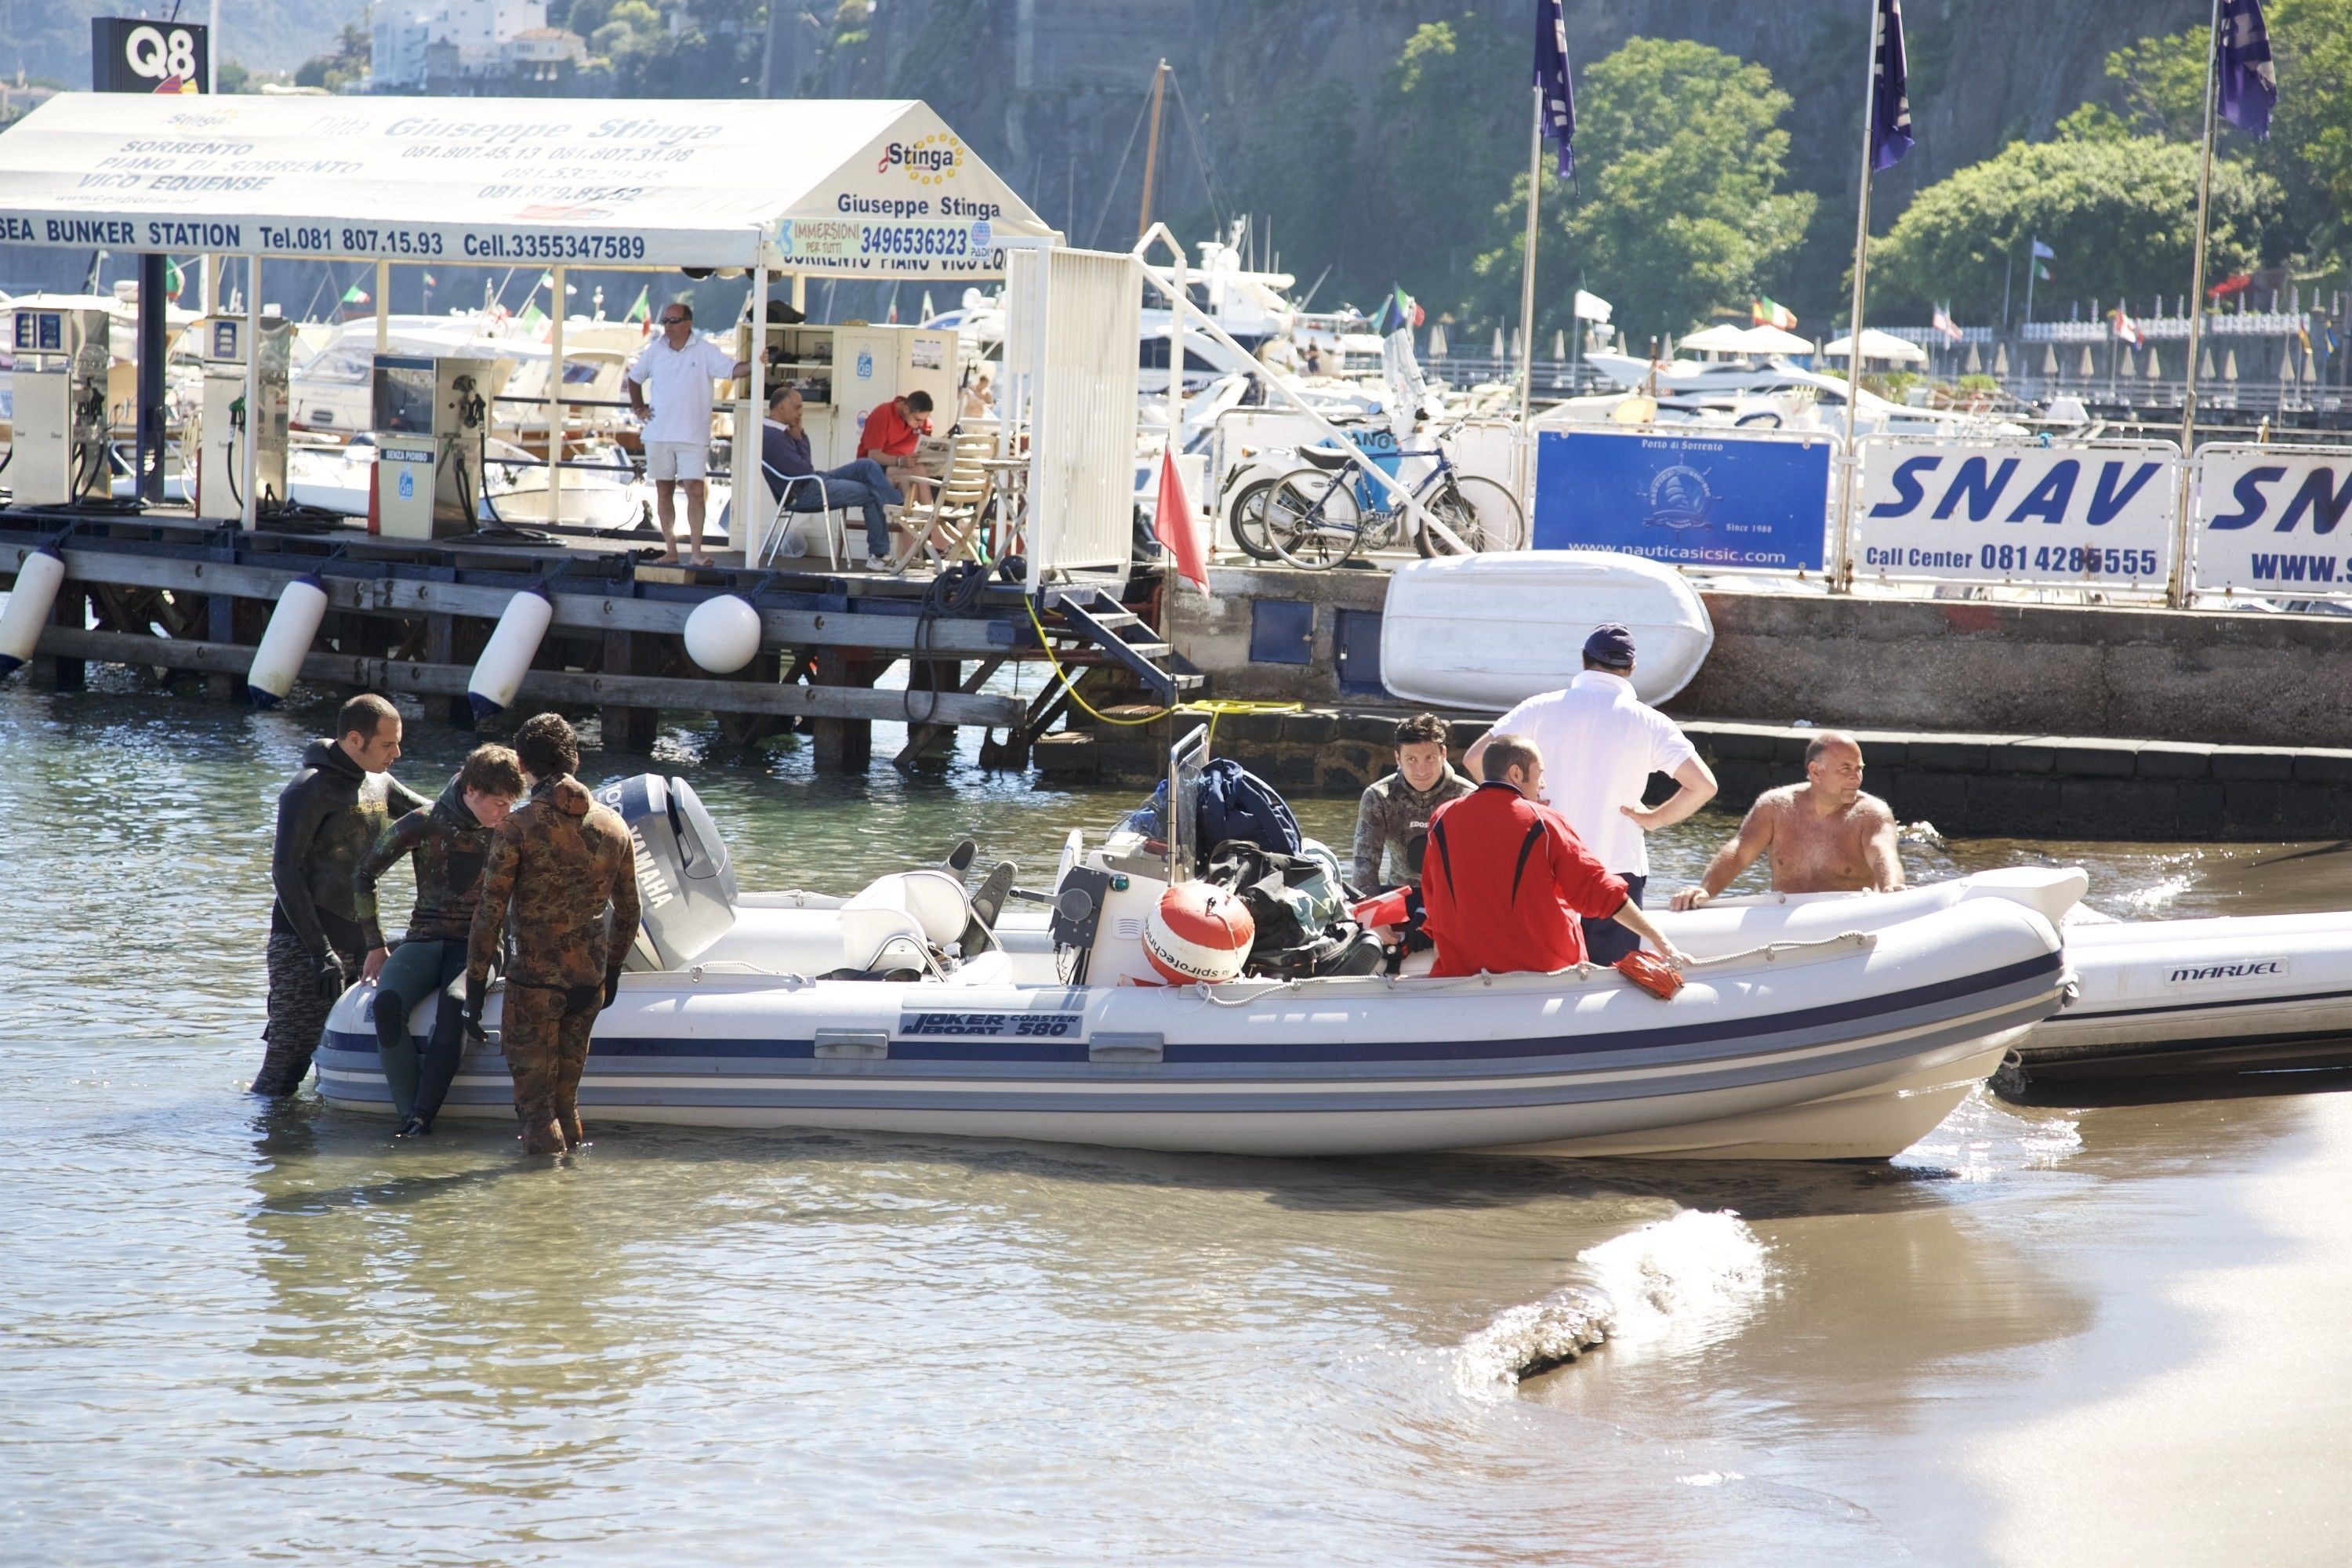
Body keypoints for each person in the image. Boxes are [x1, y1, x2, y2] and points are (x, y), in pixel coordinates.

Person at [1463, 623, 1717, 964]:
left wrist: (1520, 804)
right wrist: (1653, 820)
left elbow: (1475, 759)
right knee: (1612, 978)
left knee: (1543, 972)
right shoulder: (1651, 722)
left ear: (1584, 660)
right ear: (1630, 669)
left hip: (1544, 862)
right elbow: (1703, 786)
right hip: (1617, 865)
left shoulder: (1538, 708)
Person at [465, 713, 641, 1156]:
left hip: (536, 986)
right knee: (566, 1102)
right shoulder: (614, 826)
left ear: (522, 765)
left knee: (537, 1111)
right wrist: (612, 971)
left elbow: (489, 915)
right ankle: (568, 1198)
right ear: (575, 759)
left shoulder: (517, 828)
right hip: (589, 984)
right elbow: (629, 911)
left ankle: (542, 1211)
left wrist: (473, 986)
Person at [252, 694, 430, 1098]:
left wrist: (497, 809)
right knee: (287, 1064)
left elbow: (434, 818)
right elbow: (286, 871)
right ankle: (271, 1151)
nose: (397, 754)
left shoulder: (379, 782)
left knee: (334, 1052)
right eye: (388, 745)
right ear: (355, 739)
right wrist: (321, 953)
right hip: (304, 944)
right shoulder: (306, 791)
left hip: (362, 943)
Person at [353, 743, 526, 1138]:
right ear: (471, 792)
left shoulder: (512, 831)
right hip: (425, 937)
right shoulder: (425, 821)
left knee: (456, 1003)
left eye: (511, 804)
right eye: (499, 804)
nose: (506, 813)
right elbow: (363, 874)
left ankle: (422, 1116)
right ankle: (408, 1117)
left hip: (480, 943)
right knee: (387, 1003)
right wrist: (375, 944)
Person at [1418, 735, 1687, 978]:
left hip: (1463, 974)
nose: (1543, 784)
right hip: (1547, 976)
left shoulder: (1442, 818)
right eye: (1540, 774)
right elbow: (1599, 889)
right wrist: (1661, 941)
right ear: (1515, 773)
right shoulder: (1544, 822)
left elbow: (1434, 899)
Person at [1671, 731, 1903, 909]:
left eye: (1859, 769)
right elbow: (1740, 852)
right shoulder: (1775, 807)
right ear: (1816, 771)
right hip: (1782, 918)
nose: (1856, 777)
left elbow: (1883, 854)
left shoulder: (1871, 813)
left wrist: (1892, 887)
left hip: (1846, 919)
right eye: (1846, 769)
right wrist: (1705, 890)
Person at [624, 300, 754, 568]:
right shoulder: (655, 350)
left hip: (693, 435)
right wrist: (638, 408)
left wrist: (758, 363)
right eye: (665, 322)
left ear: (688, 323)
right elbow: (634, 378)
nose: (668, 327)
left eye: (673, 321)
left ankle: (696, 551)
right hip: (658, 433)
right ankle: (670, 549)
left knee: (695, 490)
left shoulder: (704, 350)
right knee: (663, 490)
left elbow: (733, 369)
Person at [761, 385, 906, 570]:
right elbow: (804, 470)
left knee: (867, 465)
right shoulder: (775, 438)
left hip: (813, 481)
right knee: (871, 492)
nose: (800, 413)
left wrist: (799, 437)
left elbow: (804, 469)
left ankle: (898, 507)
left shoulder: (778, 430)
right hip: (804, 492)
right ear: (782, 407)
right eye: (797, 407)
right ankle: (879, 555)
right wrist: (800, 439)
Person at [1352, 711, 1475, 891]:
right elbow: (1365, 861)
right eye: (1411, 759)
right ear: (1398, 759)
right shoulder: (1379, 797)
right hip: (1399, 897)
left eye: (1429, 758)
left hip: (1453, 899)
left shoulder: (1468, 798)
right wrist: (1368, 912)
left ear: (1444, 754)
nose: (1421, 770)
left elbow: (1482, 863)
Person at [855, 389, 936, 502]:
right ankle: (930, 514)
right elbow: (873, 456)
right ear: (906, 409)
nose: (921, 424)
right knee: (919, 471)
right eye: (918, 420)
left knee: (909, 481)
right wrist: (900, 461)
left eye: (924, 420)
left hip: (902, 466)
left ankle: (918, 517)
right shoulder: (882, 414)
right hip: (874, 467)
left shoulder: (924, 423)